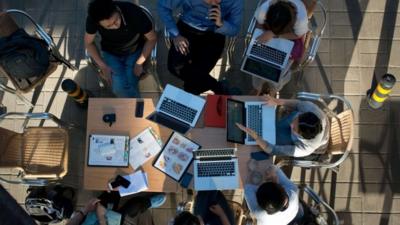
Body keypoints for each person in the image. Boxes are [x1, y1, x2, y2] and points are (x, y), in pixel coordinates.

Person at [158, 0, 243, 95]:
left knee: (193, 83)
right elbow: (163, 6)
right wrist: (176, 35)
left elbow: (235, 29)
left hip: (214, 34)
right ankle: (219, 88)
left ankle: (201, 96)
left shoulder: (235, 1)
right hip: (187, 29)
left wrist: (221, 23)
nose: (213, 3)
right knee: (175, 67)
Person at [84, 0, 157, 98]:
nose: (115, 26)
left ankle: (133, 106)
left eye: (116, 20)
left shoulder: (134, 13)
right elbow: (88, 43)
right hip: (110, 52)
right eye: (108, 26)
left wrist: (139, 62)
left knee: (130, 82)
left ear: (117, 9)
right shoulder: (93, 19)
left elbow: (152, 38)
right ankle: (136, 105)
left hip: (134, 50)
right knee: (118, 88)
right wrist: (103, 66)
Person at [237, 95, 329, 157]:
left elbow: (272, 150)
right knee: (273, 130)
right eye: (295, 119)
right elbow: (297, 104)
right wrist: (276, 101)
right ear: (304, 114)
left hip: (315, 141)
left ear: (301, 136)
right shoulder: (311, 109)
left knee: (271, 139)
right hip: (317, 127)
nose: (291, 124)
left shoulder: (306, 149)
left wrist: (256, 137)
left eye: (294, 128)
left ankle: (271, 132)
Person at [66, 192, 166, 225]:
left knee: (112, 190)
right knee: (133, 205)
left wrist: (85, 210)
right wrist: (102, 219)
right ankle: (148, 203)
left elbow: (71, 224)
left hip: (93, 217)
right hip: (109, 222)